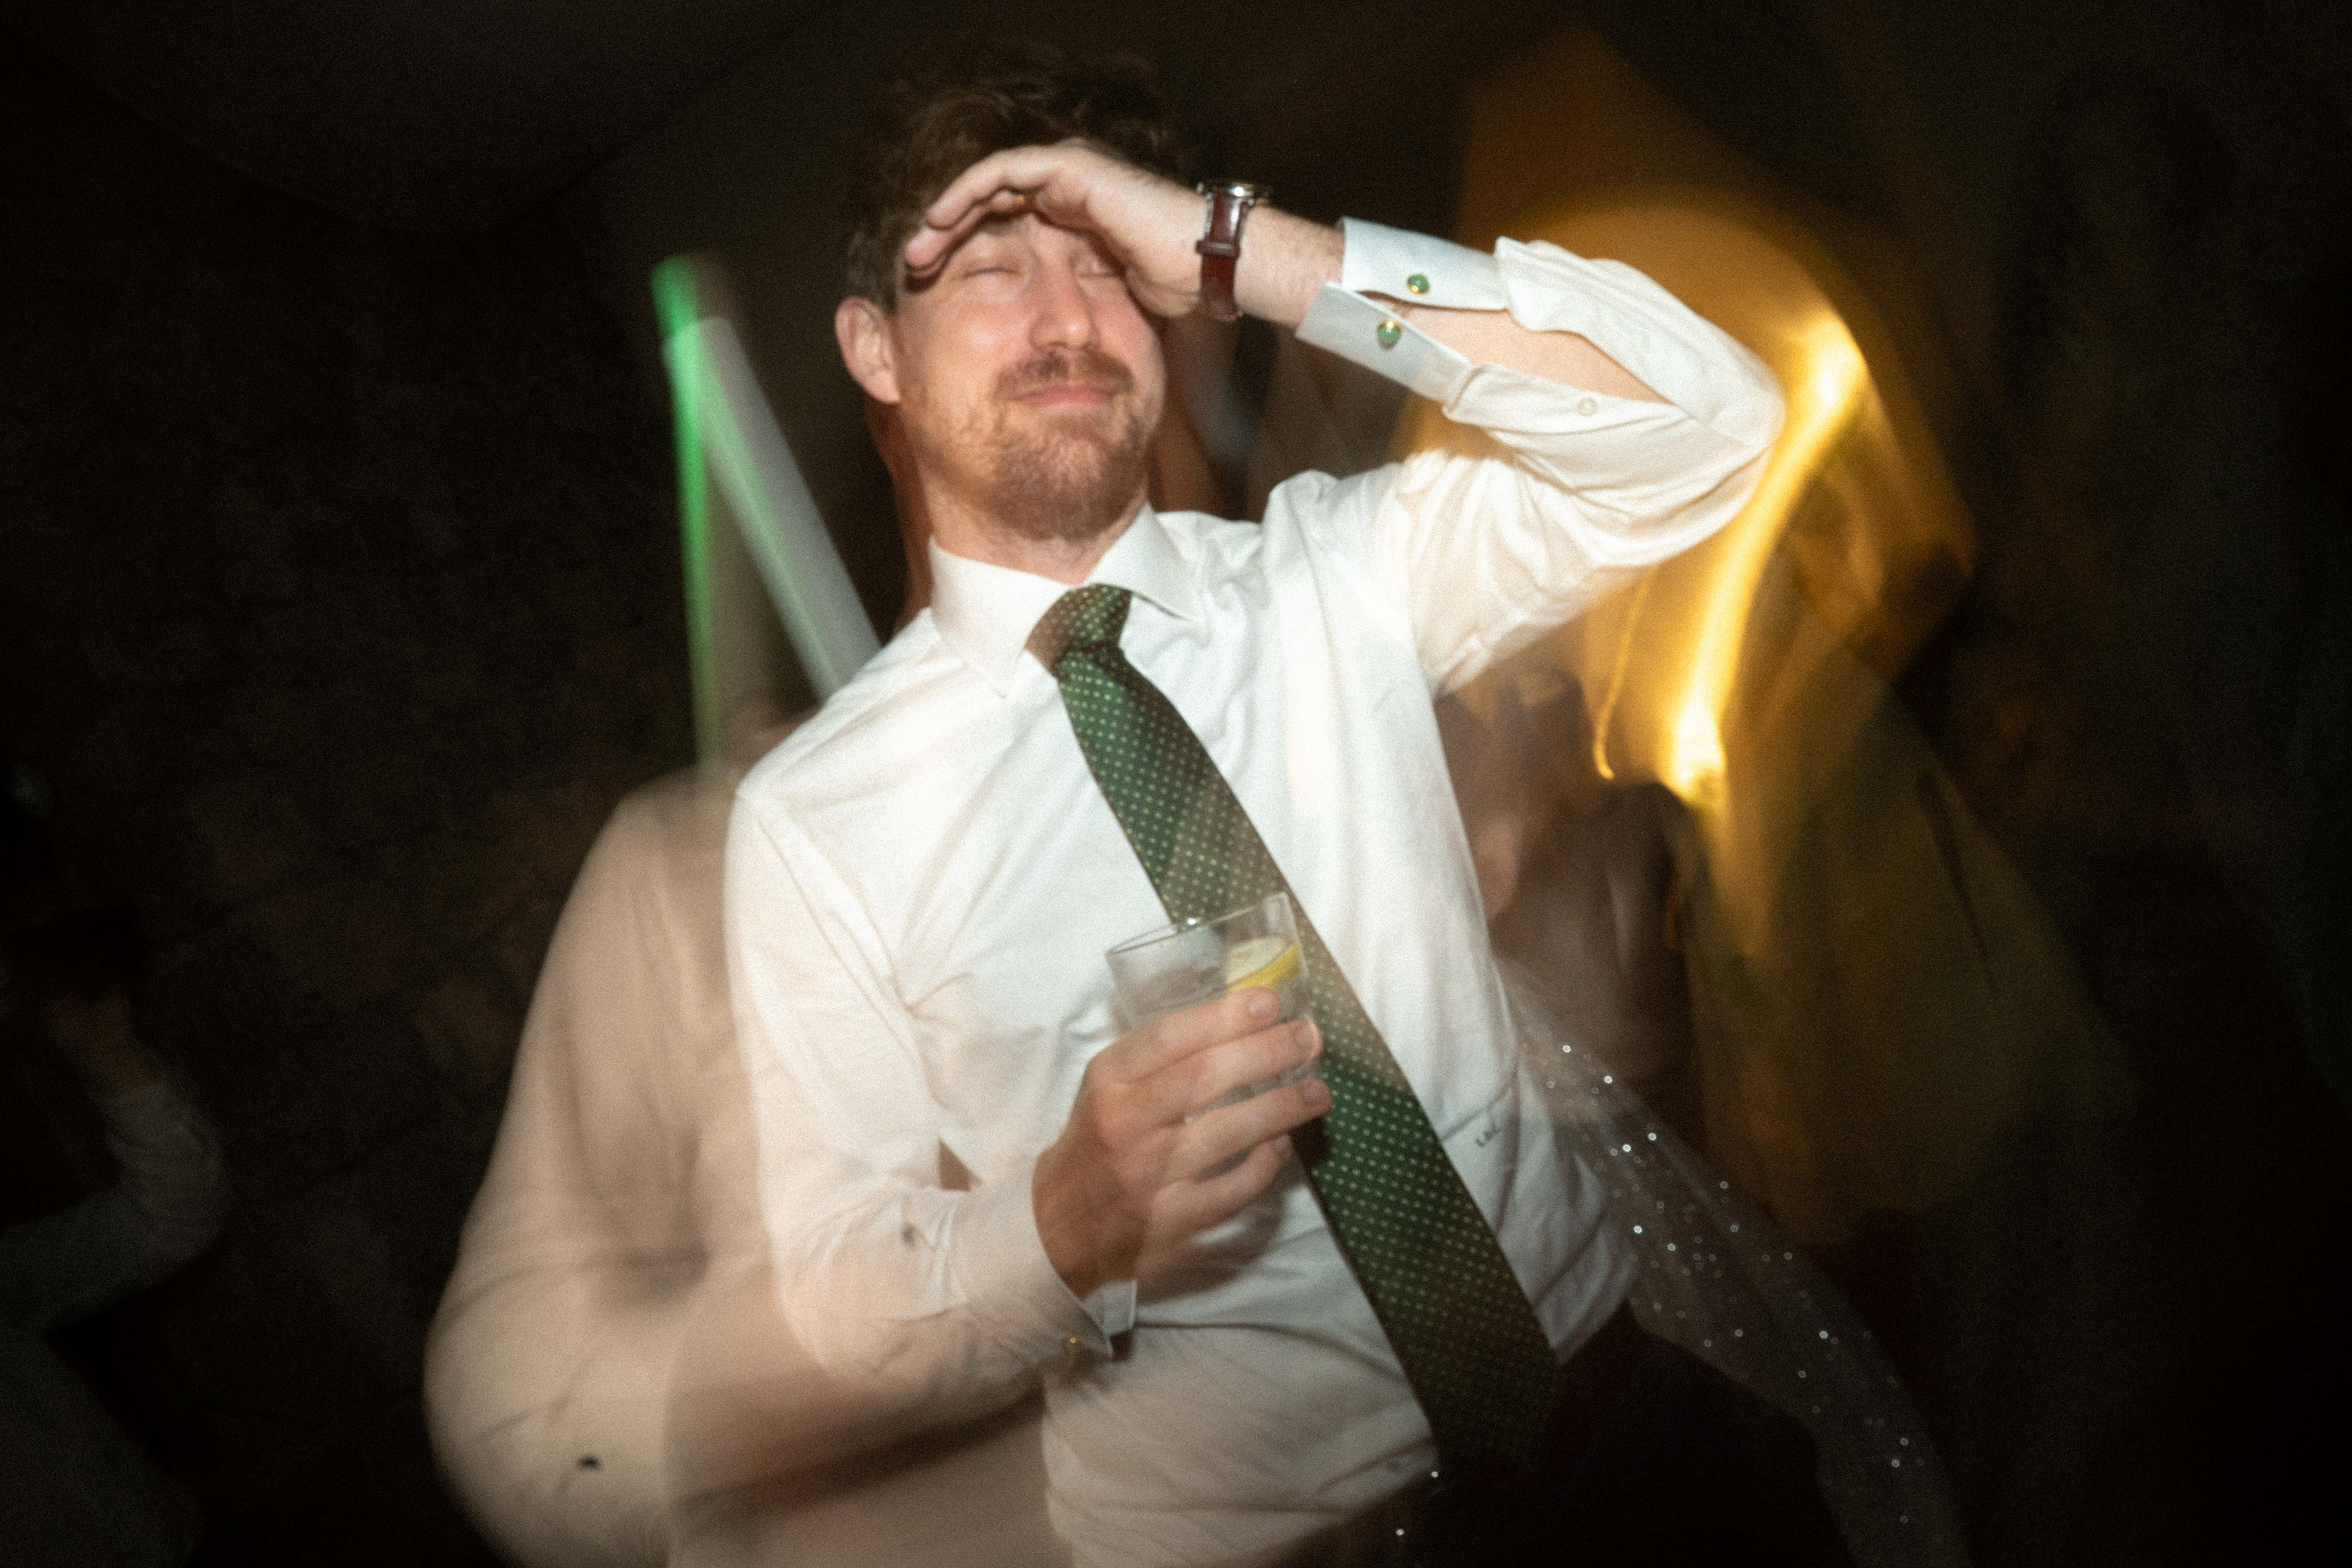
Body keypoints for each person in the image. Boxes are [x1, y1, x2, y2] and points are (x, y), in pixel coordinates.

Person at [724, 47, 1835, 1566]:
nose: (1067, 318)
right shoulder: (814, 818)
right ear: (875, 349)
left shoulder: (1336, 577)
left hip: (1621, 1438)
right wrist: (1063, 1216)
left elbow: (1708, 425)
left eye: (1107, 264)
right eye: (993, 269)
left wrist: (1238, 246)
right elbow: (841, 1288)